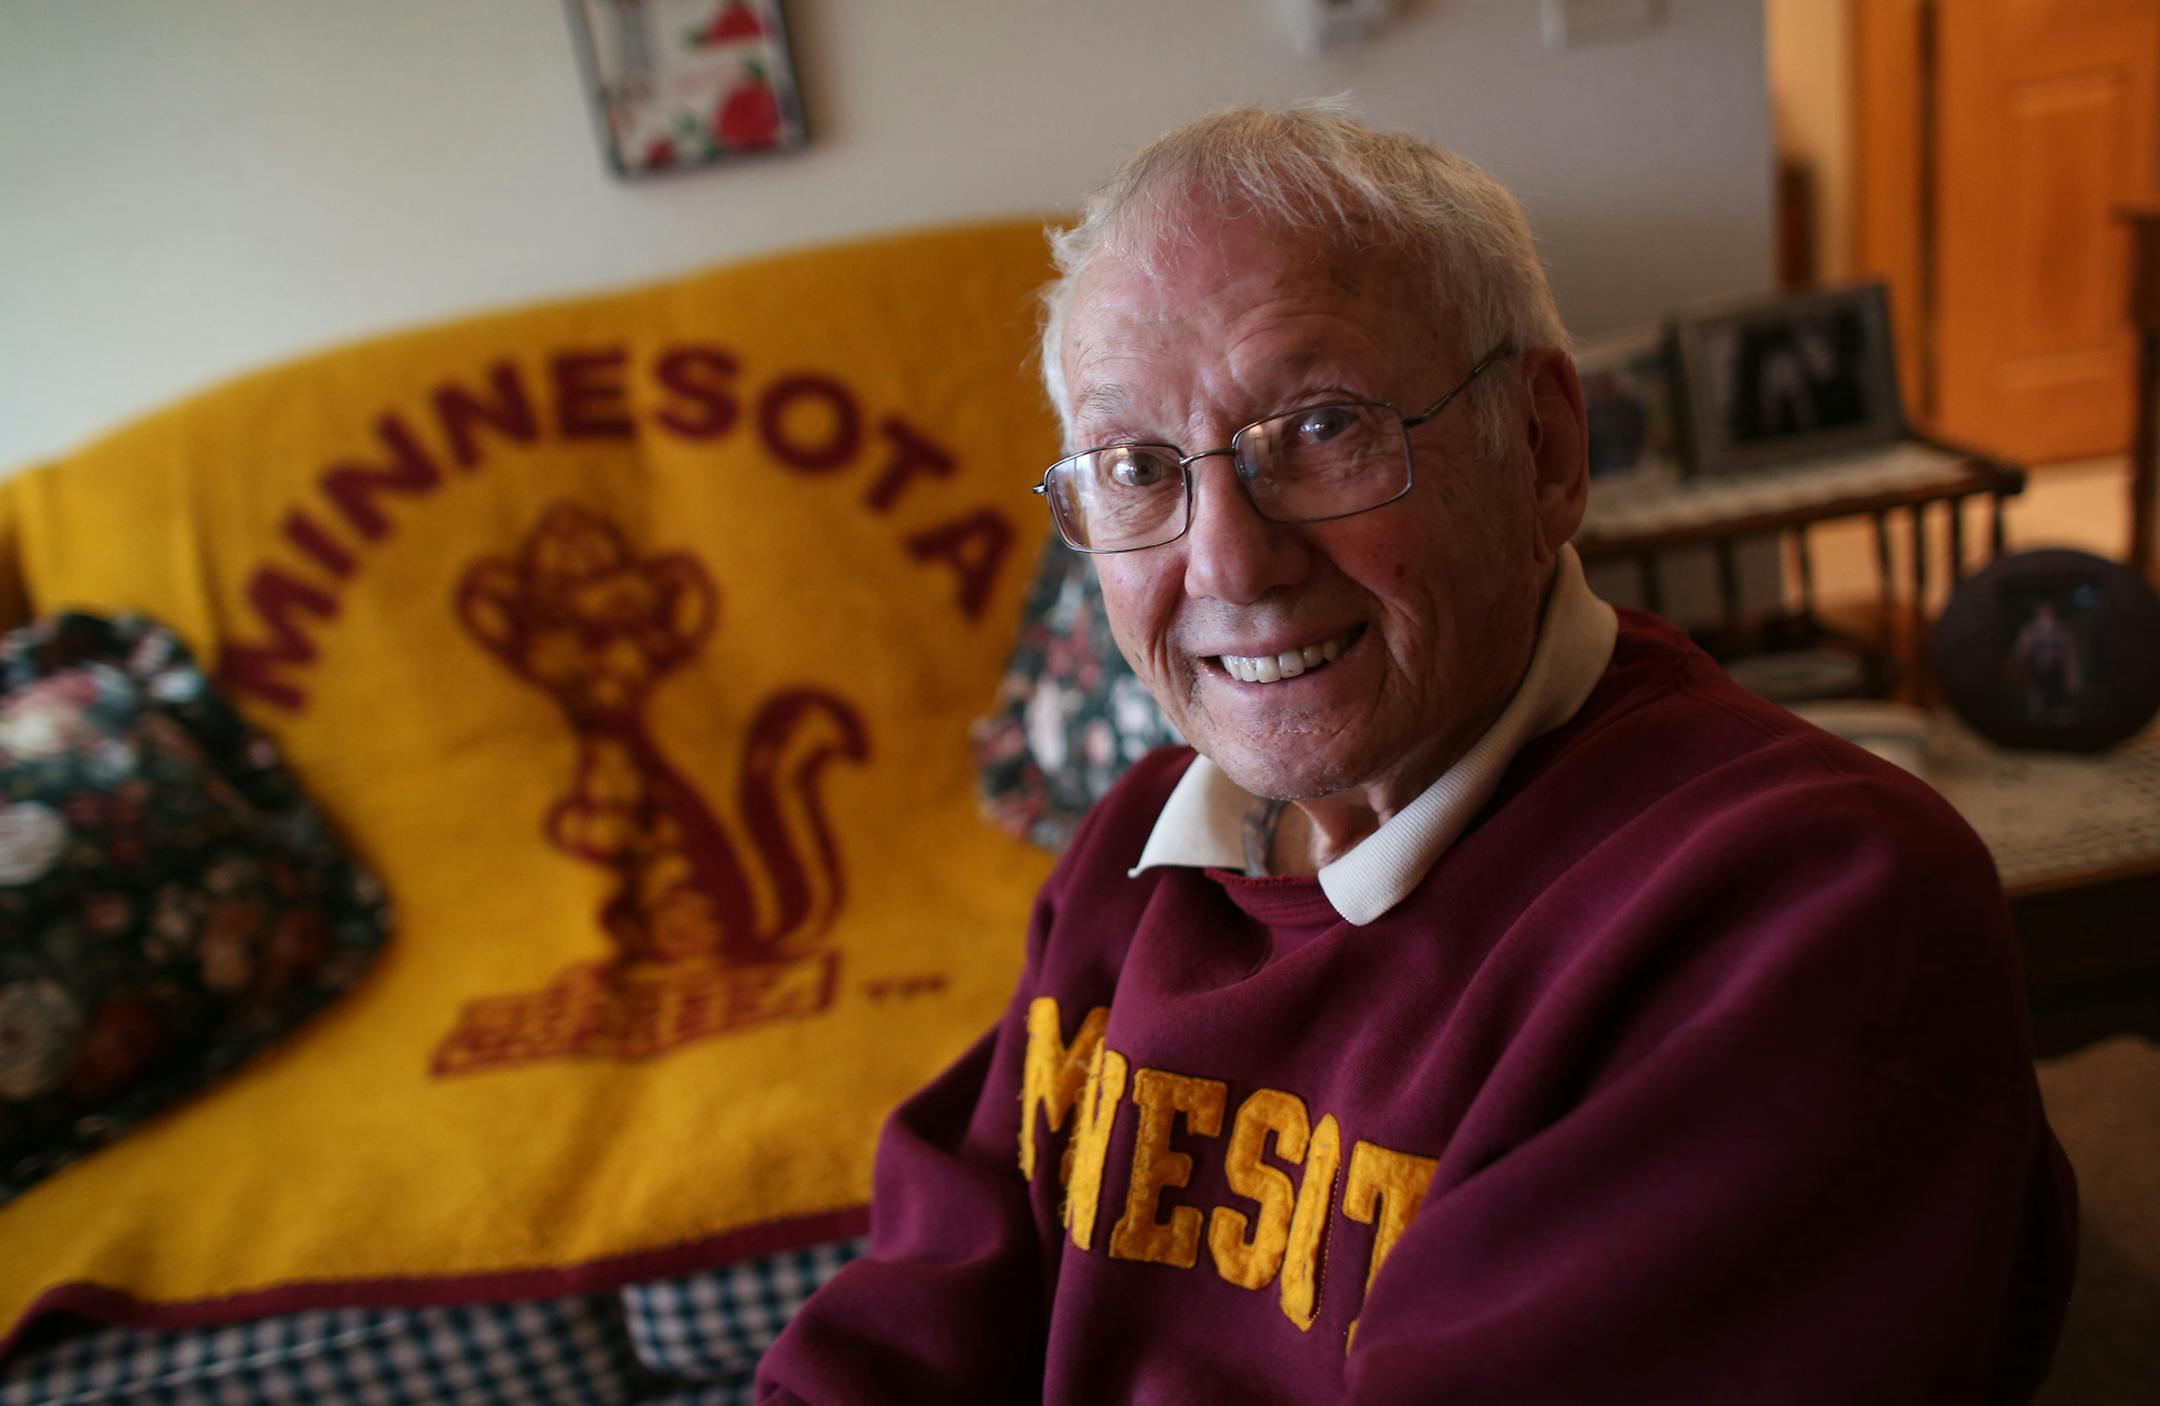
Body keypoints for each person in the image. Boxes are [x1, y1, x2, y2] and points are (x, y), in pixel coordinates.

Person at [755, 105, 2074, 1405]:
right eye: (1138, 466)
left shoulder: (1808, 908)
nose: (1228, 564)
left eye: (1320, 429)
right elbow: (909, 1324)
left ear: (1545, 449)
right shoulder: (1138, 849)